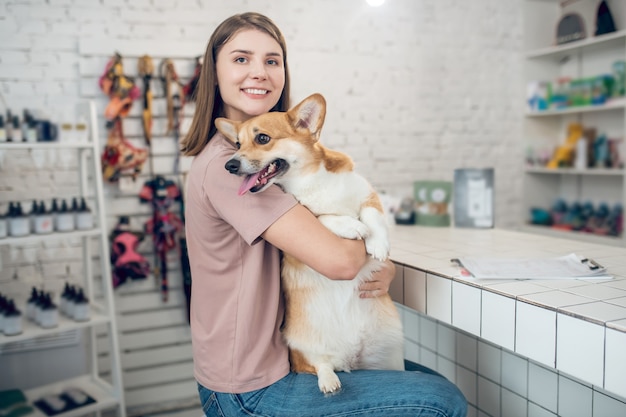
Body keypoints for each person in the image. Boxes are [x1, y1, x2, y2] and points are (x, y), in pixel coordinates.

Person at [181, 11, 467, 417]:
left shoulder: (269, 165)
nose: (259, 72)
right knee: (442, 402)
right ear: (214, 73)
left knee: (431, 385)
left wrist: (379, 262)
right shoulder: (231, 168)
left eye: (272, 60)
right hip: (250, 387)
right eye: (241, 59)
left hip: (284, 357)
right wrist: (366, 250)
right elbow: (341, 260)